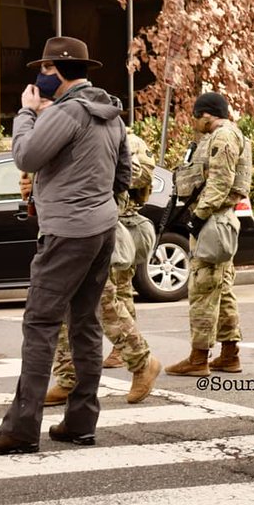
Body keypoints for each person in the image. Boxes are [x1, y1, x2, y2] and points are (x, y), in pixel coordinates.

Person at [0, 36, 130, 455]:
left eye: (42, 69)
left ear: (55, 73)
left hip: (66, 231)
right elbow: (123, 177)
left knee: (40, 325)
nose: (38, 76)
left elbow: (25, 156)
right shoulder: (110, 113)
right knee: (86, 323)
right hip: (101, 228)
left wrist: (25, 113)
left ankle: (21, 430)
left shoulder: (68, 111)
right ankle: (81, 423)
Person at [40, 131, 162, 407]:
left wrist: (92, 179)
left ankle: (141, 362)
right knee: (60, 307)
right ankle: (69, 378)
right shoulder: (62, 131)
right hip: (63, 225)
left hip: (95, 226)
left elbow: (134, 176)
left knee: (104, 301)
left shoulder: (114, 135)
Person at [166, 91, 252, 377]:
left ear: (207, 114)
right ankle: (229, 354)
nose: (195, 122)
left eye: (196, 116)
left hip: (213, 220)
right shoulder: (225, 135)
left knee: (202, 290)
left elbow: (219, 181)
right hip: (218, 219)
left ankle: (198, 358)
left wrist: (199, 218)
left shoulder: (224, 137)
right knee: (222, 290)